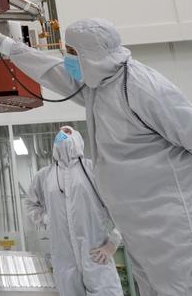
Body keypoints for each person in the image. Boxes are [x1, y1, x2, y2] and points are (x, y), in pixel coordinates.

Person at [0, 19, 192, 295]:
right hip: (141, 225)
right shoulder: (97, 86)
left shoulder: (141, 87)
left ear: (92, 53)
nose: (68, 58)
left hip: (178, 220)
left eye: (72, 52)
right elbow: (46, 68)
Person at [26, 125, 122, 296]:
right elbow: (31, 204)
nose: (62, 134)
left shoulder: (93, 170)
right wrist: (47, 219)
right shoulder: (45, 176)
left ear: (77, 138)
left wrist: (113, 243)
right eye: (60, 132)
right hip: (64, 259)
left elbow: (121, 206)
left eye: (68, 131)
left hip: (95, 254)